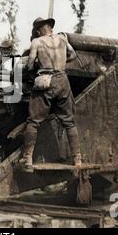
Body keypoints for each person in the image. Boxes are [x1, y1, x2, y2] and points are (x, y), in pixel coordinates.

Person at [22, 17, 82, 168]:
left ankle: (28, 158)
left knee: (33, 121)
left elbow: (30, 63)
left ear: (38, 30)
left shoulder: (37, 42)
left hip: (45, 79)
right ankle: (77, 159)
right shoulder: (62, 38)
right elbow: (74, 55)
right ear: (50, 27)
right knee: (69, 121)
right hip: (62, 79)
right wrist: (61, 64)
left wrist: (33, 67)